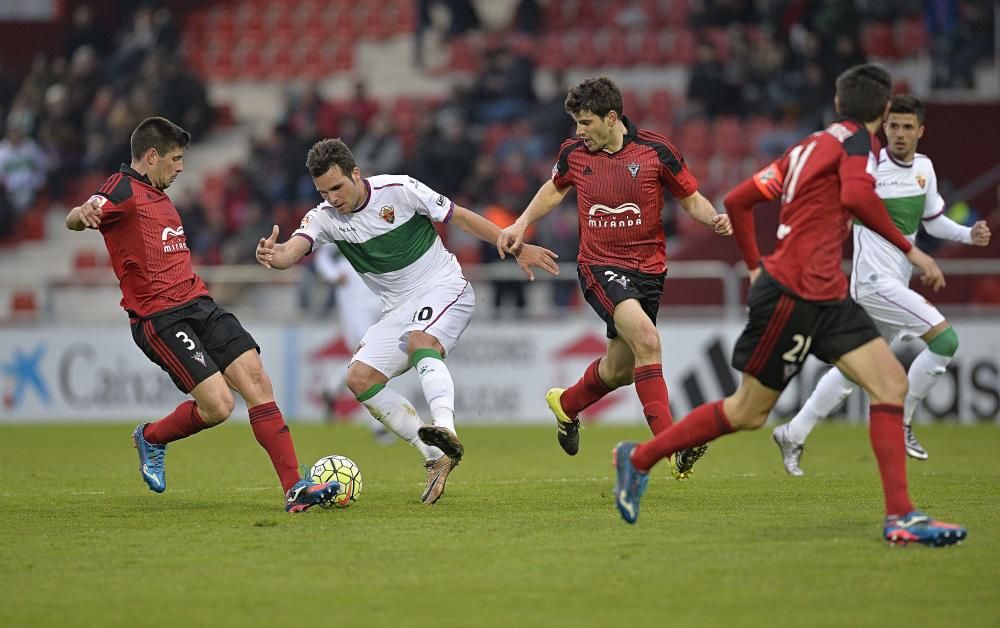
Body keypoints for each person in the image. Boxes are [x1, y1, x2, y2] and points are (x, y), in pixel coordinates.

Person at [610, 65, 968, 547]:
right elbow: (860, 196)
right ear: (883, 112)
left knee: (890, 383)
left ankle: (901, 517)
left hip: (825, 292)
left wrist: (756, 264)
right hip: (795, 293)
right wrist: (912, 250)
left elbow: (737, 200)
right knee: (747, 412)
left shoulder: (808, 146)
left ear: (840, 103)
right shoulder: (857, 146)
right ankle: (636, 459)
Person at [256, 138, 559, 504]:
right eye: (324, 191)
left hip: (444, 286)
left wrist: (516, 246)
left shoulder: (399, 189)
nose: (333, 198)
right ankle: (435, 456)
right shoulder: (324, 218)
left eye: (337, 187)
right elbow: (292, 251)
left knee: (420, 341)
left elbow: (460, 216)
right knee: (359, 378)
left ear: (356, 174)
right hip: (396, 308)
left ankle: (446, 429)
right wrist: (274, 255)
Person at [65, 116, 338, 513]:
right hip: (160, 318)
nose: (180, 168)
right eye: (175, 159)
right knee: (219, 407)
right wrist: (84, 213)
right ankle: (152, 437)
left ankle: (295, 487)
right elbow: (82, 212)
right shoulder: (121, 188)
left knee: (257, 380)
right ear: (152, 155)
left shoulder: (159, 195)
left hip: (200, 304)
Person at [496, 76, 732, 476]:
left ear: (611, 118)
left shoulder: (657, 151)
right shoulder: (574, 153)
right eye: (576, 123)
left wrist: (714, 218)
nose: (578, 131)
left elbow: (690, 198)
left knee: (621, 369)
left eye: (585, 122)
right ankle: (672, 448)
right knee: (647, 339)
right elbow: (554, 190)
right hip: (599, 265)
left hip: (650, 270)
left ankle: (566, 404)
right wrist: (521, 223)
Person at [773, 95, 992, 475]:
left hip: (895, 280)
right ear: (884, 128)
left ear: (921, 131)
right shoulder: (869, 167)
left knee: (852, 371)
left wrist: (969, 235)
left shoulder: (924, 167)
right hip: (873, 283)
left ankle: (794, 431)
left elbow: (933, 220)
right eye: (894, 126)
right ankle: (904, 423)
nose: (901, 134)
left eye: (909, 127)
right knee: (945, 341)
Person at [314, 242, 394, 443]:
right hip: (354, 305)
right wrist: (334, 275)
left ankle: (331, 388)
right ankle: (378, 426)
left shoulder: (374, 223)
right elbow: (322, 256)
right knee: (368, 363)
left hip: (380, 300)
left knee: (369, 361)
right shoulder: (338, 225)